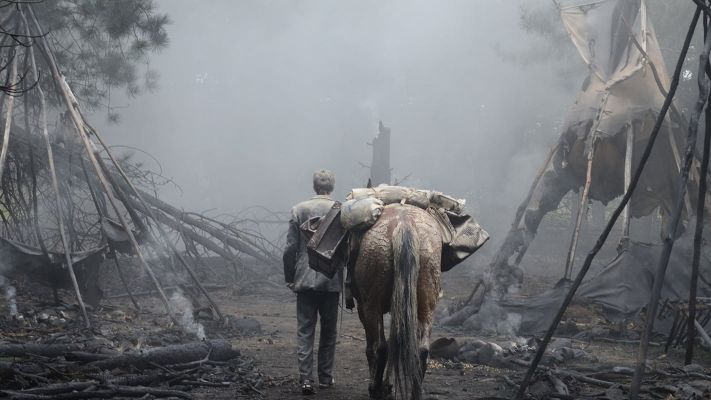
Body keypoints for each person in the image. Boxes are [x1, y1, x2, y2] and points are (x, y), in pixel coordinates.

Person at [283, 169, 343, 395]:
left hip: (305, 280)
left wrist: (290, 277)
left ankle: (306, 379)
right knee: (329, 332)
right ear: (332, 187)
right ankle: (326, 378)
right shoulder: (341, 210)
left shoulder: (299, 209)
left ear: (314, 186)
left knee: (305, 330)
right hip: (331, 279)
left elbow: (290, 249)